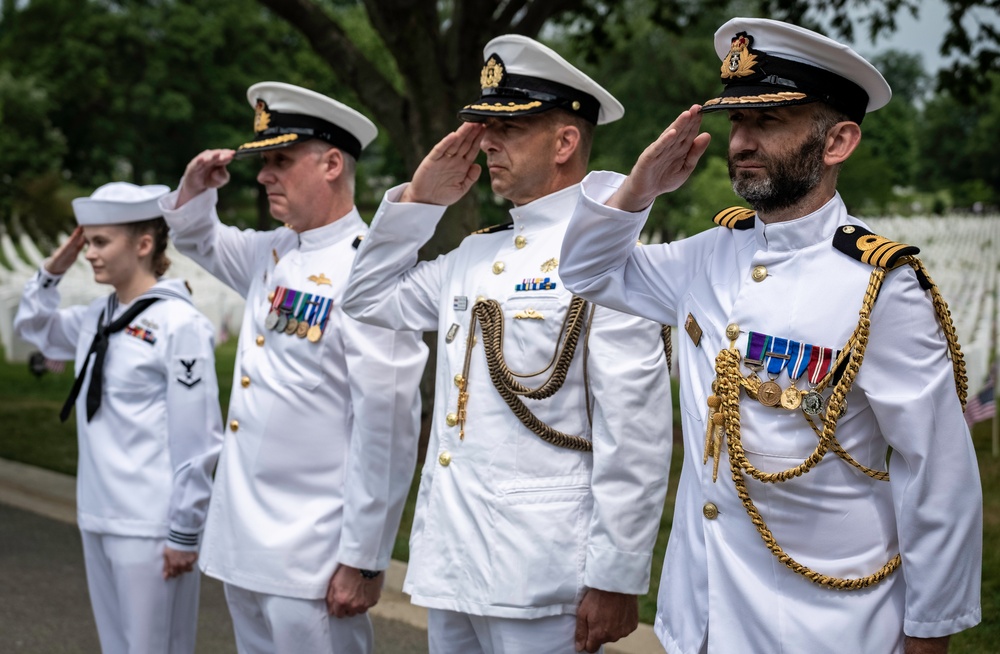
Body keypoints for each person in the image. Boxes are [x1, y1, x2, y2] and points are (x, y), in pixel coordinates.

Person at [558, 17, 982, 654]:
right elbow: (587, 271)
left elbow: (939, 472)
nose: (742, 142)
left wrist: (931, 631)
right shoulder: (709, 255)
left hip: (827, 627)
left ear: (838, 141)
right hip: (698, 617)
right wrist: (641, 185)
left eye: (770, 121)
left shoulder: (880, 287)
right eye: (736, 123)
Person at [342, 35, 673, 654]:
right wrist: (418, 203)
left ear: (565, 141)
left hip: (543, 574)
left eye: (509, 128)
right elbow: (366, 299)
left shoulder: (607, 257)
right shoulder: (475, 254)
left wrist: (616, 576)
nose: (488, 142)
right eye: (486, 127)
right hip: (453, 564)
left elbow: (637, 431)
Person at [158, 82, 427, 654]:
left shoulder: (369, 272)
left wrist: (364, 558)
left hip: (314, 557)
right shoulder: (272, 252)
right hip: (245, 545)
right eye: (263, 163)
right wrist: (193, 187)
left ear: (332, 163)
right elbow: (195, 236)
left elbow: (388, 426)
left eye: (280, 160)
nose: (263, 176)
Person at [15, 182, 224, 654]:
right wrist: (52, 271)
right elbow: (33, 328)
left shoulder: (179, 324)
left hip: (150, 524)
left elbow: (199, 439)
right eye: (87, 242)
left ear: (144, 244)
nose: (89, 253)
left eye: (100, 241)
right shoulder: (97, 315)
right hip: (98, 513)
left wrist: (184, 531)